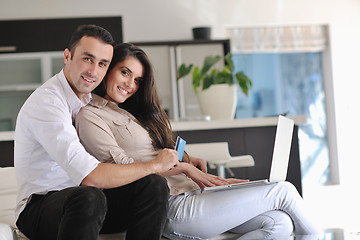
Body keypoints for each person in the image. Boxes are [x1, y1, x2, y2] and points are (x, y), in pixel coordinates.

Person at [75, 43, 321, 240]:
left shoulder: (131, 112)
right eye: (125, 72)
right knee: (283, 191)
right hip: (173, 206)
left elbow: (154, 154)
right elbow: (125, 174)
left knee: (278, 223)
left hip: (194, 194)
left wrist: (188, 161)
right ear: (108, 69)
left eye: (138, 80)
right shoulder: (91, 116)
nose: (130, 84)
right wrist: (184, 168)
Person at [14, 25, 178, 240]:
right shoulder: (48, 102)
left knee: (153, 184)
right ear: (67, 56)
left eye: (102, 64)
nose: (93, 71)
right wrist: (154, 165)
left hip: (87, 205)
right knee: (89, 196)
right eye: (87, 59)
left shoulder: (88, 100)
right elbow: (89, 176)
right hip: (40, 207)